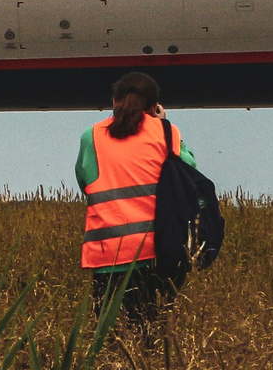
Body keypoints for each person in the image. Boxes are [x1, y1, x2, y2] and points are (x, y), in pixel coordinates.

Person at [77, 70, 196, 326]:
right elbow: (189, 171)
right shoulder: (166, 132)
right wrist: (163, 123)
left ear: (114, 101)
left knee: (111, 337)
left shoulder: (92, 136)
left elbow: (84, 181)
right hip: (157, 252)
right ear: (154, 106)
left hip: (107, 256)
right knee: (153, 334)